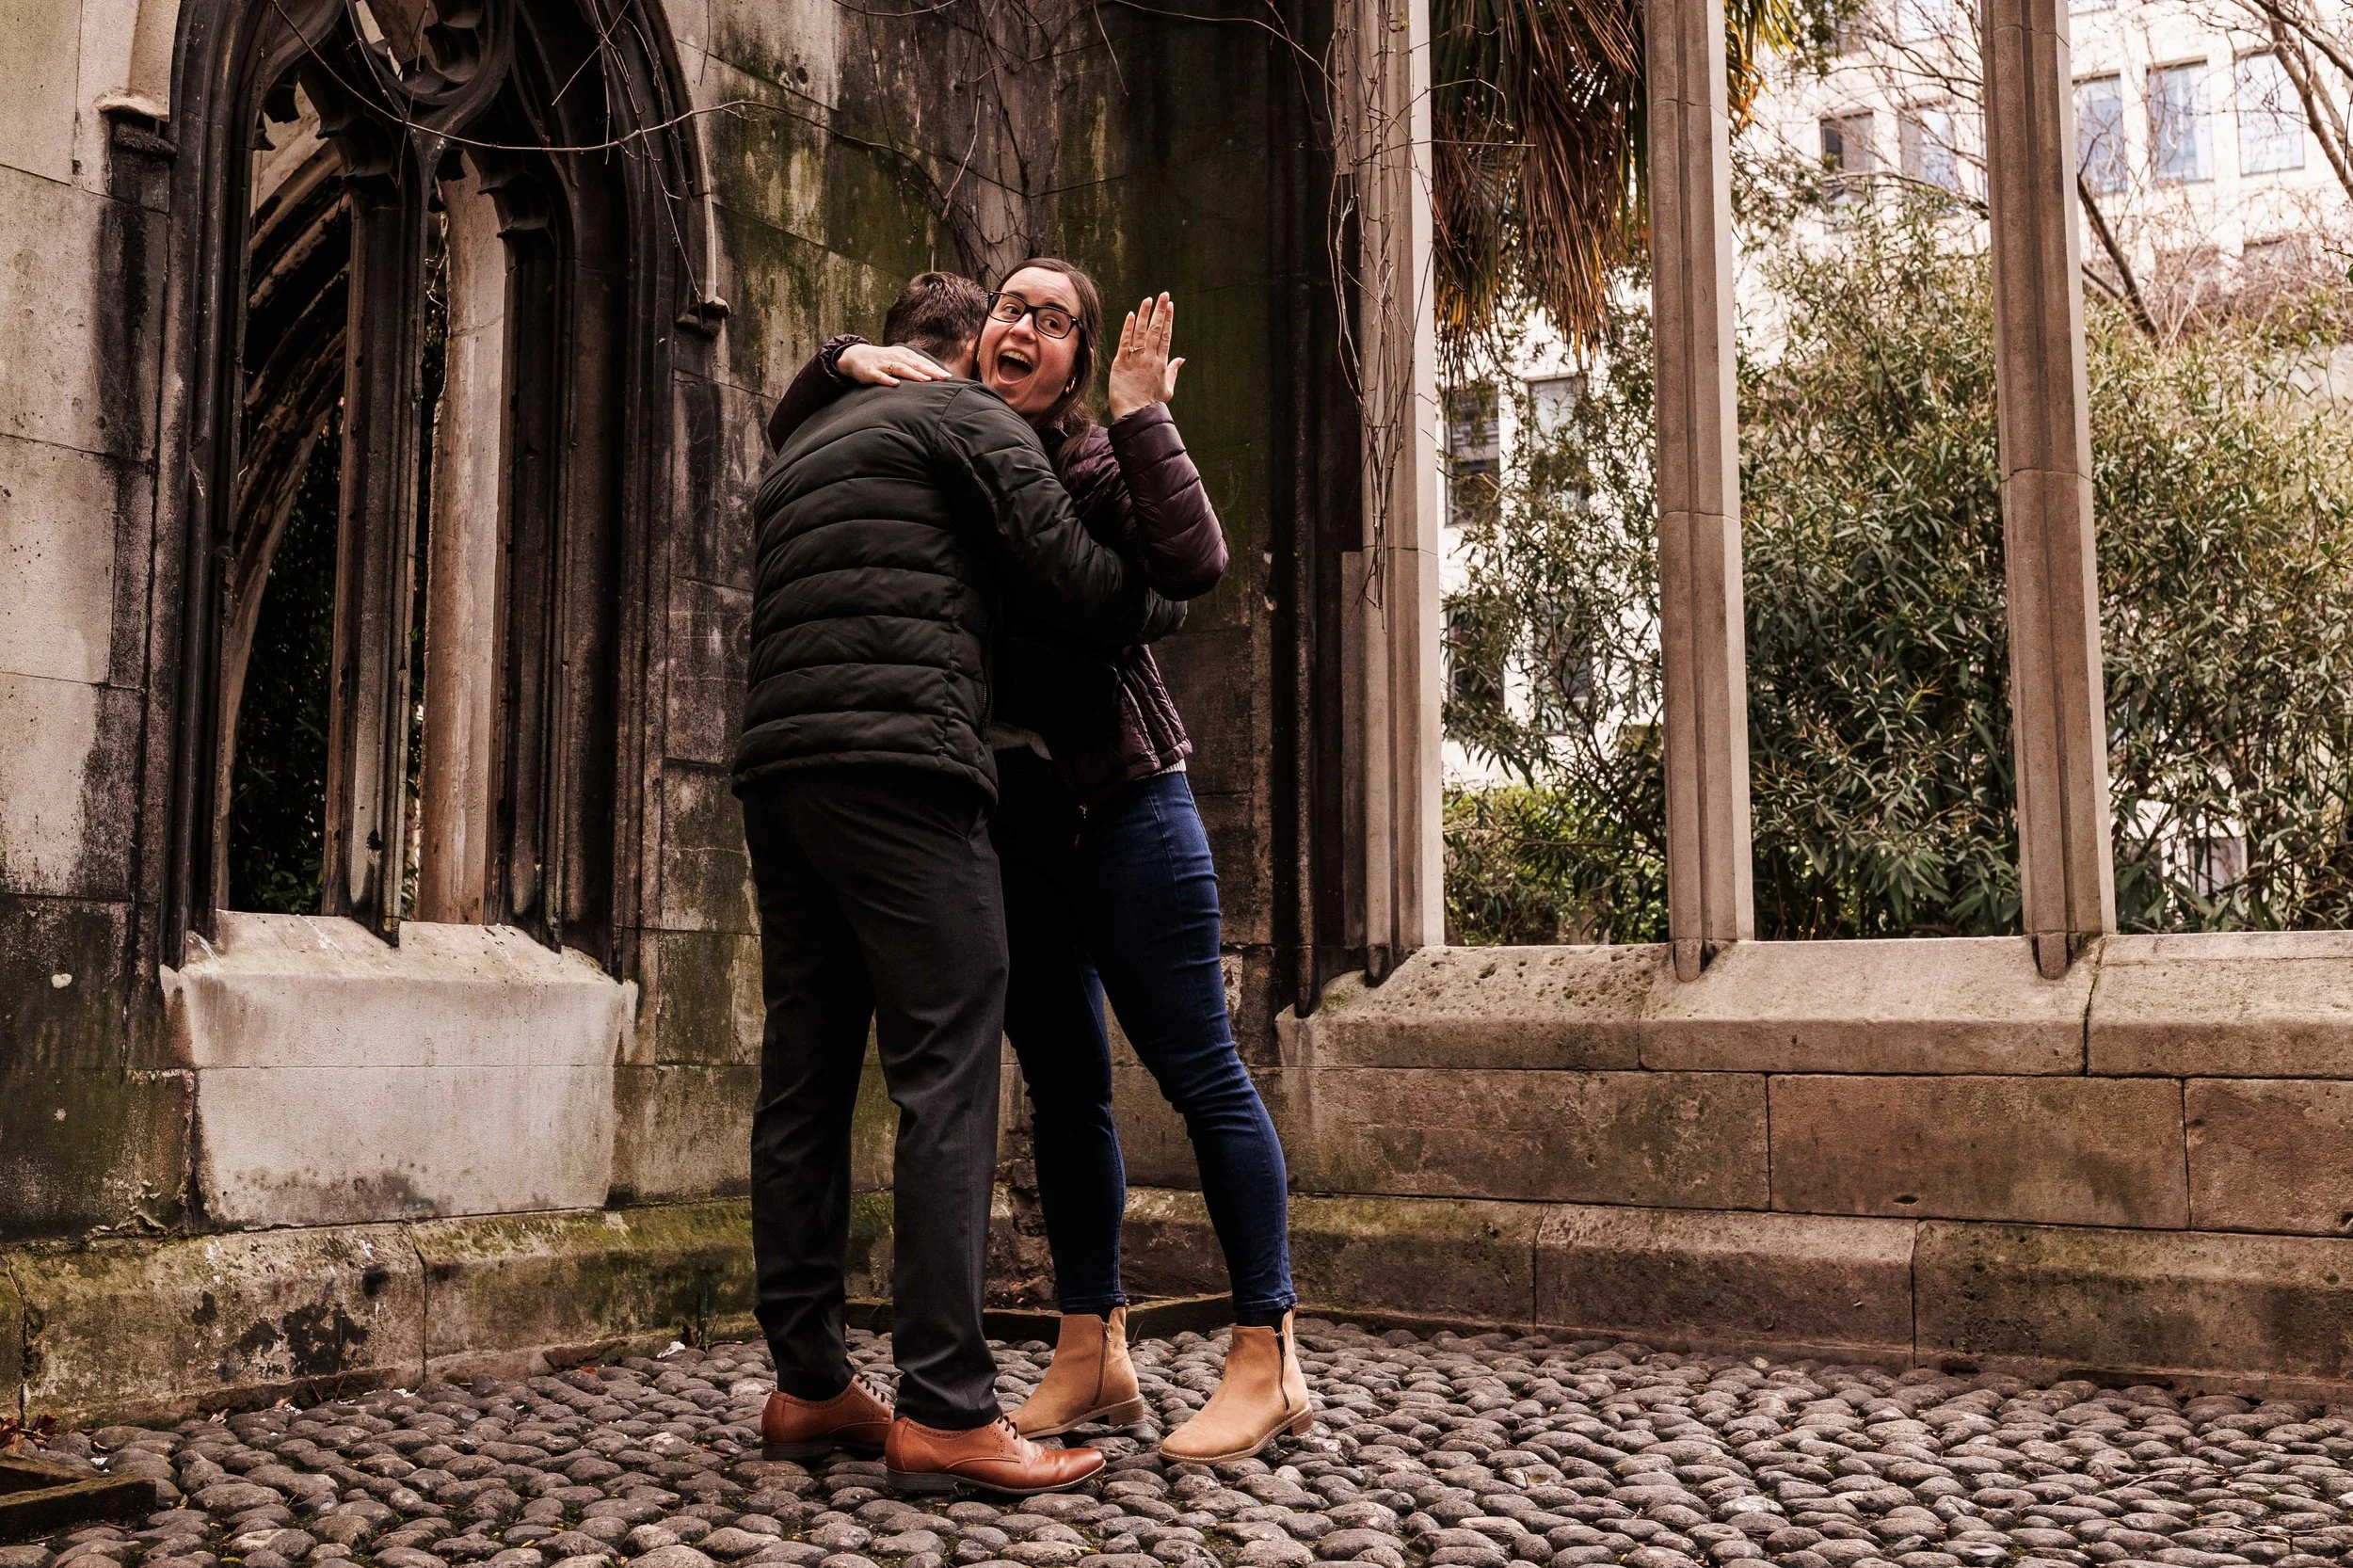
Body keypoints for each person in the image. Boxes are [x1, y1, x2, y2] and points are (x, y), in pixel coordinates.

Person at [765, 259, 1311, 1464]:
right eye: (1011, 310)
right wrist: (838, 356)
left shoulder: (1085, 455)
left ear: (1073, 361)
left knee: (1199, 1070)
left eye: (1052, 321)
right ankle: (1089, 1349)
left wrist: (1141, 411)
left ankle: (1267, 1350)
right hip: (1009, 824)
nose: (1023, 328)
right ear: (973, 344)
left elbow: (1190, 560)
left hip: (1124, 803)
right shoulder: (946, 454)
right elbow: (807, 437)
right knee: (1064, 1088)